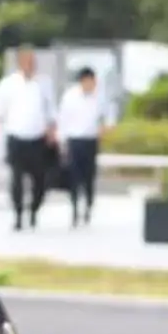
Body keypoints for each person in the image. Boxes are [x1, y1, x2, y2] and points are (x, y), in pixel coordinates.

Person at [0, 45, 56, 230]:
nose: (30, 65)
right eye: (27, 61)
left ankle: (34, 209)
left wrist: (52, 133)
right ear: (20, 63)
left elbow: (51, 112)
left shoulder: (44, 83)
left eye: (33, 61)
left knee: (40, 179)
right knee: (16, 178)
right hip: (16, 137)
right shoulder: (8, 84)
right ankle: (18, 215)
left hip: (37, 139)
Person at [54, 66, 105, 226]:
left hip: (91, 140)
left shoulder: (99, 96)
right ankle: (75, 209)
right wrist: (62, 143)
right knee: (74, 177)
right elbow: (63, 119)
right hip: (75, 141)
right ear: (83, 80)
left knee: (89, 176)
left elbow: (107, 115)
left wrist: (104, 129)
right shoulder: (70, 97)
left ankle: (88, 207)